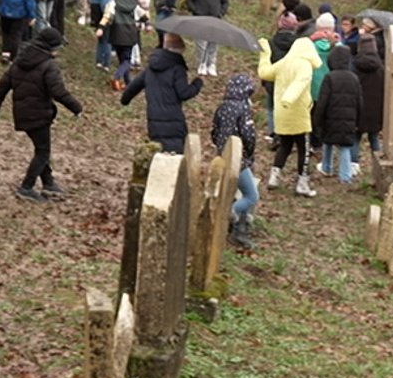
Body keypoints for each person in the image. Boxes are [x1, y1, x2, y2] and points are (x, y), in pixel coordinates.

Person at [0, 26, 84, 202]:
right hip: (39, 114)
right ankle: (26, 187)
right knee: (42, 152)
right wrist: (76, 108)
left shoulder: (20, 60)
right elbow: (58, 91)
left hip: (23, 113)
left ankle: (48, 183)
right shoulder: (48, 65)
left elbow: (3, 84)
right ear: (50, 47)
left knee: (41, 149)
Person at [258, 32, 321, 198]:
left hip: (281, 113)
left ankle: (274, 177)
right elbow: (301, 81)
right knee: (303, 149)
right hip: (298, 112)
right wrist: (289, 98)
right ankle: (302, 184)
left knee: (285, 146)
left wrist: (265, 53)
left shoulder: (283, 63)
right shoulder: (304, 65)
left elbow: (265, 72)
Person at [121, 32, 204, 153]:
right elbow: (184, 93)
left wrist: (125, 100)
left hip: (154, 120)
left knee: (159, 155)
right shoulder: (177, 68)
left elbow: (132, 88)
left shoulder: (150, 68)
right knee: (175, 158)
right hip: (174, 121)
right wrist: (197, 83)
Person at [211, 73, 260, 249]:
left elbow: (214, 131)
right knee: (251, 195)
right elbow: (249, 135)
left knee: (234, 192)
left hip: (222, 155)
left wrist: (220, 146)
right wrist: (250, 152)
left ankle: (238, 230)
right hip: (239, 159)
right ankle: (228, 214)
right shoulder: (243, 108)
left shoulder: (222, 107)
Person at [313, 43, 362, 184]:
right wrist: (358, 120)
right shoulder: (354, 78)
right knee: (345, 146)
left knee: (328, 141)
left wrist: (318, 120)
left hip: (330, 118)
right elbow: (359, 101)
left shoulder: (329, 77)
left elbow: (323, 100)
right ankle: (345, 176)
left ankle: (327, 167)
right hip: (349, 118)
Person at [184, 0, 229, 77]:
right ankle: (201, 63)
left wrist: (221, 13)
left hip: (215, 20)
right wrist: (195, 11)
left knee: (213, 43)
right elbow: (189, 1)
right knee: (201, 44)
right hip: (200, 20)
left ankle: (211, 64)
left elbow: (225, 2)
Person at [101, 0, 146, 91]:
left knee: (122, 59)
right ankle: (116, 77)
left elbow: (108, 16)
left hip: (116, 33)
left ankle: (128, 82)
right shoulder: (134, 5)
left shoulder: (113, 3)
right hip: (129, 33)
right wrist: (144, 22)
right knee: (127, 60)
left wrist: (101, 27)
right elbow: (144, 15)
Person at [354, 35, 386, 155]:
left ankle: (353, 164)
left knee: (355, 138)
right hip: (375, 109)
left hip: (359, 109)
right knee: (374, 137)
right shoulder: (381, 68)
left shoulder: (355, 67)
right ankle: (377, 159)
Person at [90, 0, 118, 71]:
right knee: (107, 40)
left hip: (96, 16)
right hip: (104, 16)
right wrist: (109, 16)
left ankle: (98, 61)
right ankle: (106, 63)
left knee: (101, 40)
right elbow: (107, 4)